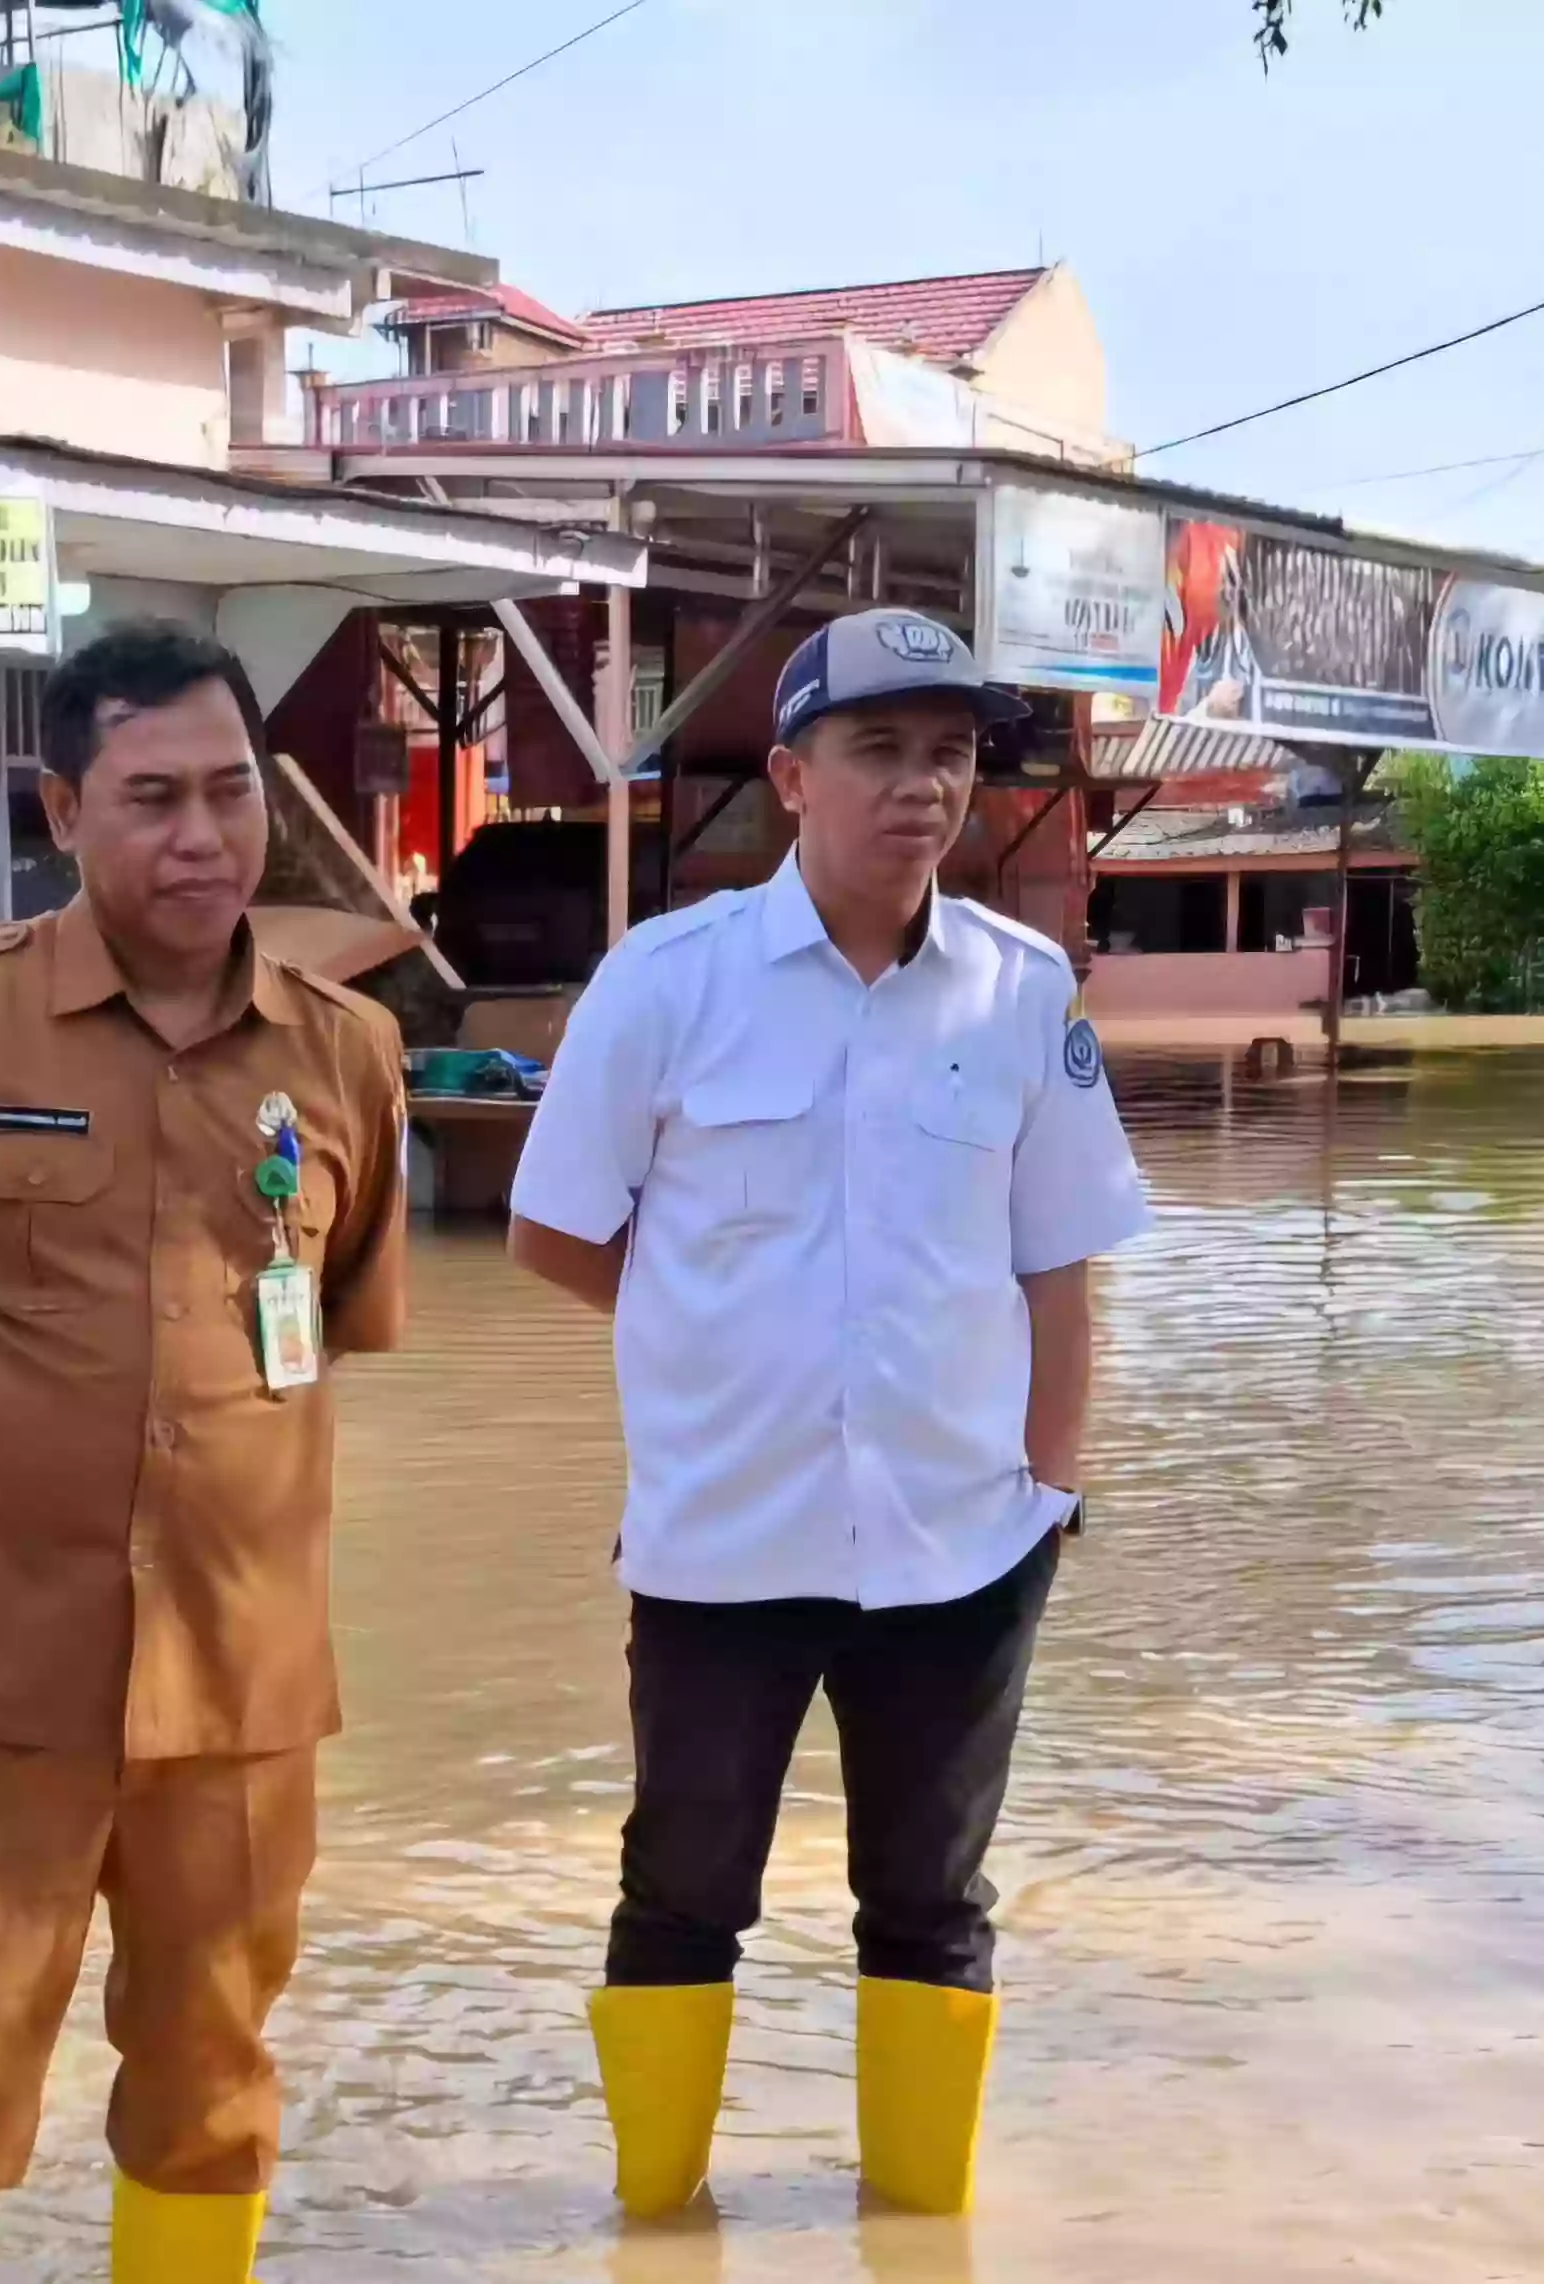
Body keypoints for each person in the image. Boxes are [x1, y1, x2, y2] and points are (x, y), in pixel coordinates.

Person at [507, 608, 1152, 2220]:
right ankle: (655, 2230)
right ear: (794, 777)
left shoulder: (1023, 996)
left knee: (932, 1904)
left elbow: (1060, 1274)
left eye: (949, 754)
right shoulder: (668, 985)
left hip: (962, 1547)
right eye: (879, 750)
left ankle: (917, 2232)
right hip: (723, 1544)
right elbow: (556, 1231)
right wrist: (713, 1338)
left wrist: (1049, 1498)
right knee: (681, 1894)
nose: (922, 786)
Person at [0, 620, 413, 2284]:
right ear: (63, 809)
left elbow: (330, 1323)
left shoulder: (346, 1052)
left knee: (213, 2093)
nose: (203, 837)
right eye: (152, 799)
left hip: (238, 1683)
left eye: (233, 792)